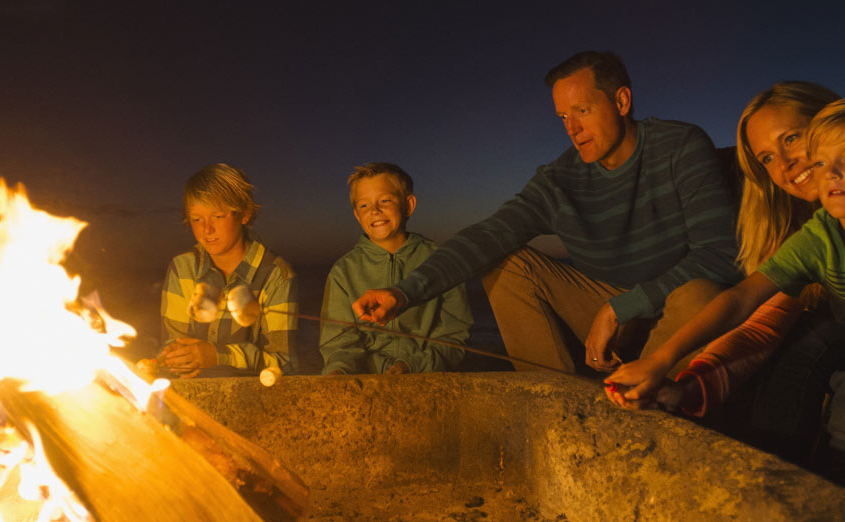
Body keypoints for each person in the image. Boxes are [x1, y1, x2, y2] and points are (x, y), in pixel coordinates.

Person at [351, 51, 740, 377]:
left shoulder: (680, 146)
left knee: (702, 294)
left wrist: (622, 306)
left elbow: (718, 255)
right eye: (562, 117)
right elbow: (486, 235)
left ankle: (653, 396)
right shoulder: (560, 179)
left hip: (672, 308)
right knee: (503, 260)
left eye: (582, 110)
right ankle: (557, 401)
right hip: (605, 312)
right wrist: (402, 294)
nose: (572, 128)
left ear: (621, 102)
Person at [605, 98, 845, 467]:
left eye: (792, 138)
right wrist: (674, 376)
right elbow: (748, 312)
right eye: (765, 158)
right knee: (799, 360)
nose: (784, 164)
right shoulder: (815, 238)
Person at [320, 162, 472, 375]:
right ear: (356, 214)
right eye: (364, 205)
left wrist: (412, 367)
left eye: (385, 200)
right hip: (365, 381)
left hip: (425, 377)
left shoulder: (441, 261)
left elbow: (455, 338)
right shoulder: (343, 271)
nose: (374, 210)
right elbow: (338, 342)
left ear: (408, 205)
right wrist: (339, 371)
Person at [159, 164, 297, 378]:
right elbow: (173, 343)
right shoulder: (182, 268)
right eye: (197, 219)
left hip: (253, 398)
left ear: (244, 214)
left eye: (218, 216)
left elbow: (283, 363)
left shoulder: (276, 274)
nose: (207, 229)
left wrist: (217, 355)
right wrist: (177, 358)